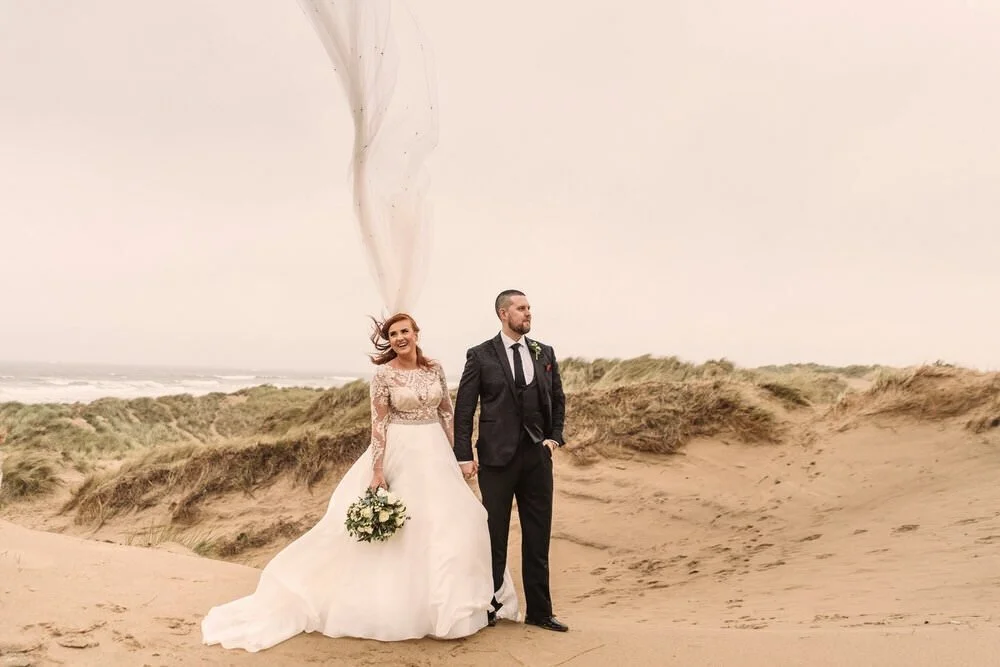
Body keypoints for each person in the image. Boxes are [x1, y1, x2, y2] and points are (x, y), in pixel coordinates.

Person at [201, 313, 517, 652]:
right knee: (411, 528)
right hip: (402, 452)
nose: (399, 338)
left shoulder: (434, 369)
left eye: (404, 331)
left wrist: (460, 454)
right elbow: (378, 424)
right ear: (389, 340)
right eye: (393, 333)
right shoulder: (383, 374)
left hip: (437, 454)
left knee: (450, 524)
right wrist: (378, 470)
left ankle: (450, 607)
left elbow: (446, 413)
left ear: (416, 333)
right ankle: (404, 607)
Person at [454, 290, 569, 632]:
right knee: (495, 535)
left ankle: (540, 611)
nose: (528, 313)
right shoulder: (480, 355)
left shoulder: (543, 352)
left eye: (529, 307)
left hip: (537, 457)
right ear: (504, 313)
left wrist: (554, 438)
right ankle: (488, 607)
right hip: (496, 459)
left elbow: (558, 399)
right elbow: (464, 410)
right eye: (521, 308)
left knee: (538, 535)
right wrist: (464, 455)